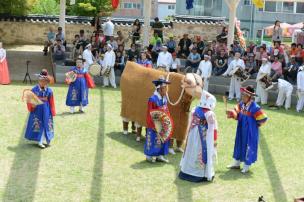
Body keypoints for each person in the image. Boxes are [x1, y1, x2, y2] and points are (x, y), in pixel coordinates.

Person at [226, 86, 268, 173]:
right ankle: (236, 163)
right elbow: (236, 113)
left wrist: (255, 126)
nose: (242, 97)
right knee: (239, 143)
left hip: (250, 131)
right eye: (242, 95)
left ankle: (246, 165)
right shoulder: (241, 105)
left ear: (249, 97)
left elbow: (263, 119)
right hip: (241, 129)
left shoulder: (255, 107)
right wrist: (231, 113)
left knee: (248, 145)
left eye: (244, 96)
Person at [179, 90, 218, 182]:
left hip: (193, 133)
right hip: (203, 135)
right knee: (201, 151)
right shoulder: (209, 114)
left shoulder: (195, 109)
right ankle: (201, 174)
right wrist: (213, 141)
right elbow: (212, 129)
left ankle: (187, 171)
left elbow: (190, 122)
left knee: (191, 150)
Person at [24, 69, 56, 148]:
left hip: (46, 109)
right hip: (37, 110)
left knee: (46, 124)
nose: (42, 82)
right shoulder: (34, 90)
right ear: (39, 80)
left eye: (45, 81)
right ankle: (40, 141)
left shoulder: (49, 91)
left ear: (47, 82)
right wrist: (32, 106)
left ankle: (45, 139)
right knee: (39, 124)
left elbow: (51, 102)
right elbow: (30, 100)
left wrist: (52, 111)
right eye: (41, 80)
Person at [144, 76, 172, 163]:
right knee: (153, 139)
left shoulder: (164, 99)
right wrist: (153, 125)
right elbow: (150, 113)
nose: (166, 90)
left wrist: (168, 122)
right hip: (154, 124)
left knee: (162, 139)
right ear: (159, 89)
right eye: (165, 88)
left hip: (163, 124)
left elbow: (166, 110)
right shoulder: (152, 99)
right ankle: (149, 156)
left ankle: (160, 156)